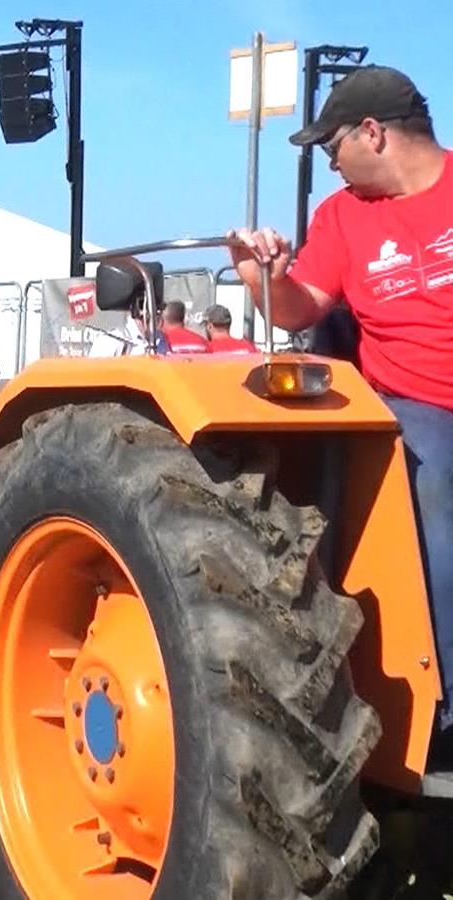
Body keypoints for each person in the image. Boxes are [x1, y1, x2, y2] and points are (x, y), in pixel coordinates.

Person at [227, 65, 453, 767]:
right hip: (415, 403)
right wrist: (259, 275)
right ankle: (444, 705)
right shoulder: (343, 215)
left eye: (331, 143)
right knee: (435, 483)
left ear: (373, 133)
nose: (326, 160)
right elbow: (301, 307)